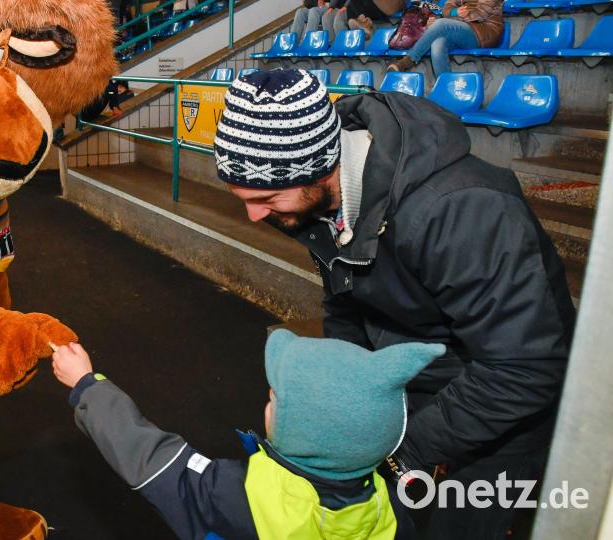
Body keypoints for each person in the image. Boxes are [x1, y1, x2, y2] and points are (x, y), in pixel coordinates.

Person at [214, 68, 577, 538]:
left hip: (502, 401)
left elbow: (525, 367)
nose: (253, 214)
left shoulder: (461, 210)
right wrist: (349, 400)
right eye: (242, 197)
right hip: (415, 375)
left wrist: (401, 448)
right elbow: (344, 305)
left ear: (320, 168)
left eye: (267, 196)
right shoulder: (318, 201)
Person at [52, 331, 446, 539]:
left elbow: (149, 457)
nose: (268, 401)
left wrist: (88, 385)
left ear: (304, 435)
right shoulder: (390, 510)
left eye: (276, 401)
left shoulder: (237, 495)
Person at [388, 0, 504, 75]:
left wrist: (446, 21)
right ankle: (444, 86)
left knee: (440, 24)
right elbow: (446, 9)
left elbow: (480, 15)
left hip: (484, 33)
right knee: (438, 42)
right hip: (463, 28)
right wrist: (454, 12)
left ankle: (409, 60)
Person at [322, 0, 405, 41]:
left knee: (347, 9)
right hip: (374, 6)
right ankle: (363, 22)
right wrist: (332, 6)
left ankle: (364, 23)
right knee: (344, 11)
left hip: (390, 4)